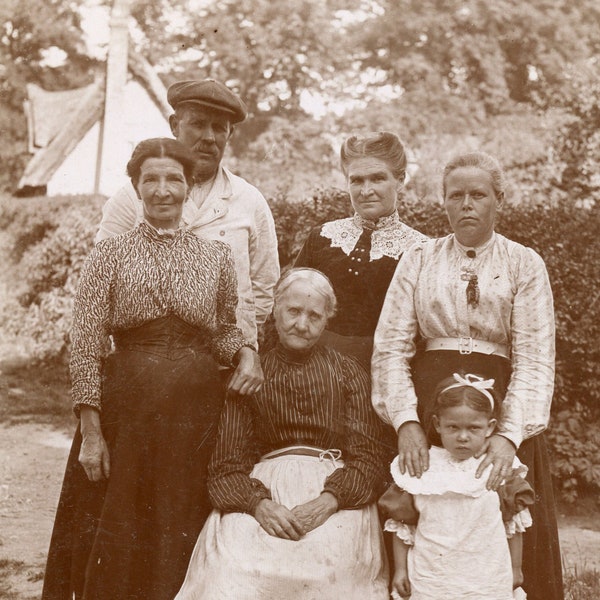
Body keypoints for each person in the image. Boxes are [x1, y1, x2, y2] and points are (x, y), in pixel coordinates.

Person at [42, 138, 262, 600]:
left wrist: (245, 351)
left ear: (187, 186)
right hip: (129, 412)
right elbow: (85, 342)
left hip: (192, 417)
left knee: (176, 523)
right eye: (151, 179)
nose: (163, 190)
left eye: (173, 179)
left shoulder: (214, 256)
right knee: (119, 525)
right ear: (136, 188)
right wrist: (92, 431)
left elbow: (222, 331)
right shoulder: (110, 253)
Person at [372, 151, 563, 600]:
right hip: (430, 409)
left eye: (478, 194)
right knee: (422, 517)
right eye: (455, 195)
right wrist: (407, 422)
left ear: (499, 199)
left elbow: (536, 356)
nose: (467, 205)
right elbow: (390, 347)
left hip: (497, 412)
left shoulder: (523, 263)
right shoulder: (418, 259)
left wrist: (509, 436)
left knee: (499, 512)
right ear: (444, 202)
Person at [175, 268, 390, 599]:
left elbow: (370, 458)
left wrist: (329, 501)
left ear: (327, 321)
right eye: (293, 311)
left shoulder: (348, 373)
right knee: (235, 568)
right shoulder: (250, 374)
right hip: (264, 491)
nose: (302, 325)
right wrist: (259, 505)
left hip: (337, 493)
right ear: (275, 309)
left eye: (314, 316)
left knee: (332, 568)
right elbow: (225, 468)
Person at [96, 78, 279, 347]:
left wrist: (236, 341)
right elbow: (102, 279)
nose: (208, 137)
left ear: (230, 134)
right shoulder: (131, 198)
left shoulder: (249, 200)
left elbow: (264, 286)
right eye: (197, 123)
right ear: (174, 125)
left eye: (219, 128)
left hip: (228, 363)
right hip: (149, 359)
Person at [386, 373, 534, 600]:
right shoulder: (423, 466)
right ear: (437, 424)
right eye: (453, 427)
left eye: (474, 428)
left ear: (490, 427)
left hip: (486, 574)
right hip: (432, 575)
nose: (462, 437)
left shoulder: (498, 467)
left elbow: (513, 525)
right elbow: (403, 525)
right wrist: (401, 569)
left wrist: (515, 568)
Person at [293, 131, 427, 368]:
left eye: (377, 179)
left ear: (400, 179)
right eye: (357, 180)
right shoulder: (323, 237)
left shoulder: (421, 250)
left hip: (385, 370)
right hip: (313, 369)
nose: (366, 191)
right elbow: (290, 308)